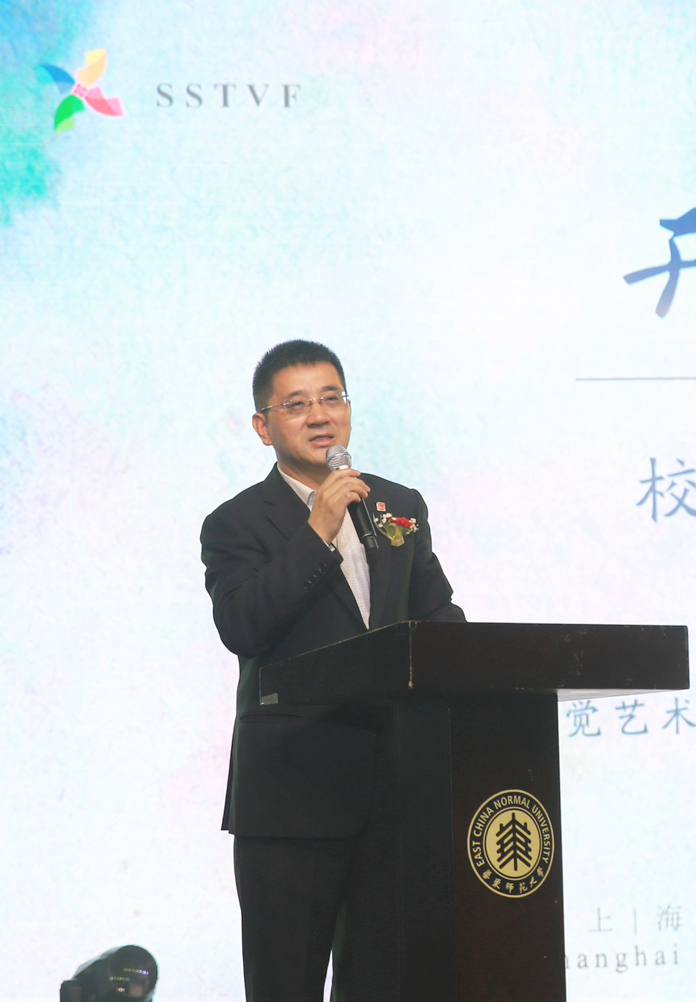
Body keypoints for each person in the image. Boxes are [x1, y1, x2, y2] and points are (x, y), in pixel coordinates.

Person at [201, 340, 464, 1001]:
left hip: (395, 792)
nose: (319, 415)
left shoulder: (397, 505)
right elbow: (243, 627)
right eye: (297, 405)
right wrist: (316, 530)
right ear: (263, 427)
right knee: (285, 985)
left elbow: (439, 622)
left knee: (388, 982)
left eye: (331, 398)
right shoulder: (236, 524)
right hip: (291, 796)